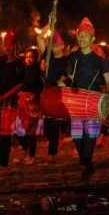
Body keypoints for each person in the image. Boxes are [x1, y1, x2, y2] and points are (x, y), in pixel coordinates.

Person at [63, 18, 109, 181]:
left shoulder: (100, 61)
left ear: (92, 39)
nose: (82, 38)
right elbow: (68, 77)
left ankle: (85, 164)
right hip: (77, 101)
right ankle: (87, 164)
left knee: (90, 134)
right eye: (80, 35)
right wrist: (60, 82)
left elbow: (108, 81)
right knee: (77, 135)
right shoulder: (73, 57)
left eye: (85, 35)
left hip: (93, 101)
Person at [0, 30, 23, 168]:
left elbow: (19, 84)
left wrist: (4, 96)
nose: (7, 48)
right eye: (5, 45)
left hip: (8, 101)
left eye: (10, 45)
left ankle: (2, 163)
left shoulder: (19, 64)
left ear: (15, 46)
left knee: (5, 135)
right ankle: (1, 157)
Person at [38, 29, 68, 161]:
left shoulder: (66, 60)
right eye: (53, 46)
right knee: (47, 127)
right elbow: (39, 38)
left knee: (55, 124)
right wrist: (48, 25)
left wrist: (62, 80)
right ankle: (54, 144)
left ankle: (52, 153)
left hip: (59, 92)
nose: (54, 48)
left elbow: (67, 76)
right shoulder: (48, 55)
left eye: (56, 46)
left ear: (61, 46)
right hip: (48, 92)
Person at [16, 47, 46, 164]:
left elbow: (41, 89)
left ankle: (31, 156)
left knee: (30, 131)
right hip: (22, 102)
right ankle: (25, 150)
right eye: (27, 57)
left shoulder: (38, 72)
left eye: (31, 57)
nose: (28, 59)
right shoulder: (22, 71)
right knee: (18, 129)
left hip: (33, 103)